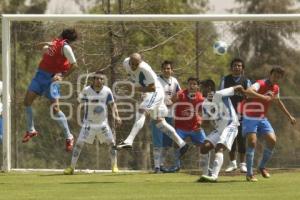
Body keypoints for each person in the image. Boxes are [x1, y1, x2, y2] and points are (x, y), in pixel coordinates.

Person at [116, 53, 189, 158]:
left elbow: (152, 88)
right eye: (132, 64)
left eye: (136, 64)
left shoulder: (145, 69)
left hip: (156, 92)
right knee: (160, 122)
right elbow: (132, 76)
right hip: (149, 93)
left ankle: (129, 141)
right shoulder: (125, 63)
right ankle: (182, 144)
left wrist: (135, 89)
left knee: (141, 111)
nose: (133, 66)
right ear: (129, 61)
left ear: (140, 62)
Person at [22, 28, 78, 152]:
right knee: (27, 102)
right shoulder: (55, 43)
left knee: (55, 109)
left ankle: (69, 137)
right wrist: (46, 44)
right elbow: (38, 47)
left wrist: (62, 76)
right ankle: (31, 130)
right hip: (40, 76)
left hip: (52, 79)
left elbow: (75, 65)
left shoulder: (66, 47)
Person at [241, 66, 296, 182]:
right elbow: (248, 91)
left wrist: (289, 116)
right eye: (275, 75)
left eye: (279, 77)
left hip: (262, 118)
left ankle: (262, 167)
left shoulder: (276, 88)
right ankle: (249, 174)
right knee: (252, 142)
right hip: (250, 116)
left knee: (272, 140)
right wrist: (263, 97)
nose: (276, 78)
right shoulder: (260, 83)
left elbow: (278, 102)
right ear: (270, 74)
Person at [64, 71, 122, 175]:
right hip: (89, 124)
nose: (99, 81)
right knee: (79, 144)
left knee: (112, 143)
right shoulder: (86, 90)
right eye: (97, 78)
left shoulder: (107, 91)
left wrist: (116, 116)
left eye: (101, 79)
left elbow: (112, 105)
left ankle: (114, 166)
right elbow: (78, 102)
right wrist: (75, 116)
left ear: (103, 80)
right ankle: (71, 167)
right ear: (93, 80)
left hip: (103, 124)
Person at [198, 79, 245, 182]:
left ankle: (214, 176)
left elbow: (239, 87)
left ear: (209, 88)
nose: (200, 91)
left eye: (202, 88)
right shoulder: (205, 104)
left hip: (231, 126)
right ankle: (205, 174)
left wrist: (246, 94)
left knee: (219, 148)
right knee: (204, 147)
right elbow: (206, 122)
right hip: (219, 129)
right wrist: (199, 123)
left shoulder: (220, 94)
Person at [220, 58, 251, 173]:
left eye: (239, 65)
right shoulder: (225, 79)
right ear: (231, 67)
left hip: (243, 114)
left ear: (242, 68)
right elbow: (221, 95)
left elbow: (250, 95)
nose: (236, 67)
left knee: (241, 139)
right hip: (229, 114)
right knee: (230, 138)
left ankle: (242, 164)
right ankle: (232, 163)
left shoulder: (246, 81)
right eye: (234, 65)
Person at [171, 77, 208, 173]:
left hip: (195, 127)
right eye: (190, 84)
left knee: (206, 145)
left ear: (198, 86)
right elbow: (172, 100)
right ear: (187, 85)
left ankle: (207, 167)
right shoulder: (181, 94)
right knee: (176, 142)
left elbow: (202, 113)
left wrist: (199, 123)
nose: (192, 86)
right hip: (181, 127)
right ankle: (176, 166)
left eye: (194, 84)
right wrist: (174, 97)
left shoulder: (200, 97)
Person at [150, 60, 181, 173]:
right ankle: (157, 166)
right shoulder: (156, 80)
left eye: (169, 68)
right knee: (157, 140)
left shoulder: (175, 81)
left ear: (171, 70)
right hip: (158, 114)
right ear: (161, 69)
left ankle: (162, 164)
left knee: (167, 142)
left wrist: (173, 100)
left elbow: (179, 94)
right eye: (164, 68)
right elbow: (151, 95)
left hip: (170, 115)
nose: (166, 70)